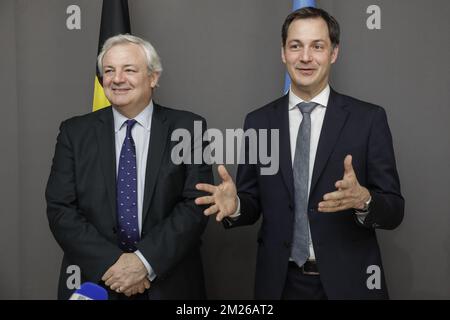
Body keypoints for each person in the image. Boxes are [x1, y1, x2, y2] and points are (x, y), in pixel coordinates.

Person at [195, 7, 404, 299]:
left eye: (317, 46)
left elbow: (394, 210)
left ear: (334, 53)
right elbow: (252, 201)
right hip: (280, 285)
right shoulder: (258, 121)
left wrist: (364, 200)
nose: (305, 57)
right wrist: (237, 206)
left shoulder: (368, 119)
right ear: (283, 53)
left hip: (351, 284)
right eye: (296, 46)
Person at [46, 34, 213, 299]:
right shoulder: (74, 132)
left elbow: (195, 205)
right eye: (109, 70)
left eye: (129, 70)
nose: (117, 78)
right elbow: (61, 208)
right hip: (96, 282)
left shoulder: (188, 129)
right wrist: (113, 264)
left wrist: (143, 263)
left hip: (169, 282)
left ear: (153, 77)